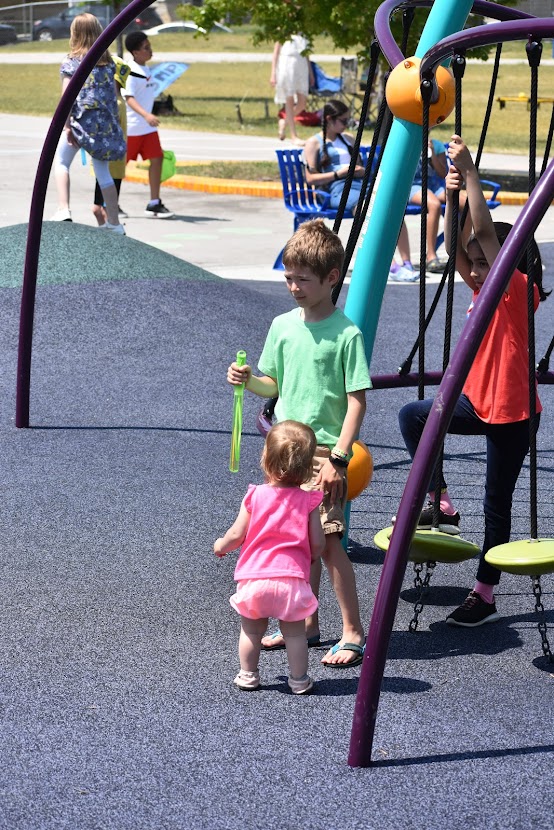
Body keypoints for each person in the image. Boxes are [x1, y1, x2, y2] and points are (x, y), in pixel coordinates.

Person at [398, 134, 549, 627]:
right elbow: (461, 244)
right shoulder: (483, 287)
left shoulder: (516, 290)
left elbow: (484, 236)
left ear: (512, 263)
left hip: (513, 414)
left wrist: (473, 173)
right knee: (414, 417)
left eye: (487, 263)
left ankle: (484, 594)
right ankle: (440, 496)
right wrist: (452, 189)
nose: (477, 271)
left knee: (496, 503)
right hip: (476, 403)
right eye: (475, 265)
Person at [227, 219, 370, 667]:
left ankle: (352, 632)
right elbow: (274, 386)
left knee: (328, 545)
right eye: (288, 278)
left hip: (326, 452)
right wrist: (249, 381)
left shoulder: (346, 334)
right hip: (286, 448)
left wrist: (340, 458)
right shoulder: (282, 326)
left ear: (331, 278)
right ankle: (305, 623)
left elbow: (356, 402)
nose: (293, 287)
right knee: (295, 543)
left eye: (302, 280)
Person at [215, 420, 326, 694]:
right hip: (292, 579)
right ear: (307, 466)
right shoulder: (310, 501)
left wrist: (221, 545)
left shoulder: (255, 495)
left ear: (266, 459)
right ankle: (299, 680)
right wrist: (312, 556)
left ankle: (248, 675)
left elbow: (237, 534)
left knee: (252, 632)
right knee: (295, 634)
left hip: (255, 578)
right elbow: (318, 543)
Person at [51, 13, 126, 234]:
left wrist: (66, 127)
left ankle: (64, 209)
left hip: (79, 124)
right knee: (103, 171)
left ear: (75, 33)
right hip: (103, 127)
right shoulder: (108, 62)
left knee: (62, 163)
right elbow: (112, 96)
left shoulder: (71, 62)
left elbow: (67, 99)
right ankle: (114, 221)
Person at [122, 31, 174, 219]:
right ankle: (109, 202)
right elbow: (129, 98)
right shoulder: (131, 71)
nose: (150, 50)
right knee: (120, 165)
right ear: (135, 52)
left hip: (147, 128)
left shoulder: (146, 69)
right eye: (146, 48)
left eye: (150, 46)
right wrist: (146, 115)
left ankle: (154, 203)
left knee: (157, 159)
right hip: (134, 127)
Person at [303, 99, 366, 214]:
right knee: (366, 208)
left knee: (389, 204)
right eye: (343, 121)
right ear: (329, 119)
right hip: (336, 189)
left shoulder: (348, 139)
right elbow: (311, 179)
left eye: (348, 120)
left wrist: (361, 171)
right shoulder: (314, 143)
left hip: (360, 184)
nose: (346, 125)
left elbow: (359, 165)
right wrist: (338, 174)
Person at [92, 55, 130, 227]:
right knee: (97, 210)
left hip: (111, 166)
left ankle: (113, 240)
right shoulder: (115, 101)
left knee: (105, 211)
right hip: (109, 165)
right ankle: (105, 238)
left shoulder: (115, 103)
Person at [408, 138, 449, 273]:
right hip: (413, 185)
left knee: (464, 203)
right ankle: (431, 256)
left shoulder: (436, 145)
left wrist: (432, 152)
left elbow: (443, 173)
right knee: (435, 205)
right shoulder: (409, 141)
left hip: (434, 185)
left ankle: (460, 252)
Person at [271, 36, 314, 145]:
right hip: (287, 65)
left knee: (302, 103)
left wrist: (311, 73)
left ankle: (284, 122)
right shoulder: (283, 30)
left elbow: (307, 55)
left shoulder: (303, 31)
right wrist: (273, 74)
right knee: (289, 101)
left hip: (301, 65)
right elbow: (276, 53)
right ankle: (294, 135)